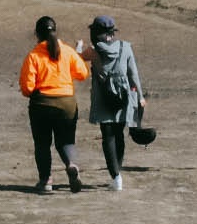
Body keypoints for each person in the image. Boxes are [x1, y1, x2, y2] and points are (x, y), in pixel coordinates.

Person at [17, 15, 89, 192]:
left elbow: (27, 87)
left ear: (36, 34)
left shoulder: (33, 56)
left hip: (42, 103)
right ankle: (71, 164)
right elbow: (82, 73)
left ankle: (46, 181)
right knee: (66, 141)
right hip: (67, 103)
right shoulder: (67, 51)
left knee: (42, 143)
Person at [85, 14, 145, 191]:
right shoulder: (125, 48)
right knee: (119, 135)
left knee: (108, 136)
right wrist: (140, 97)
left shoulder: (93, 51)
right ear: (112, 32)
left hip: (103, 98)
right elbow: (133, 75)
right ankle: (117, 172)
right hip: (123, 98)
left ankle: (116, 176)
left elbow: (77, 59)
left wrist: (78, 47)